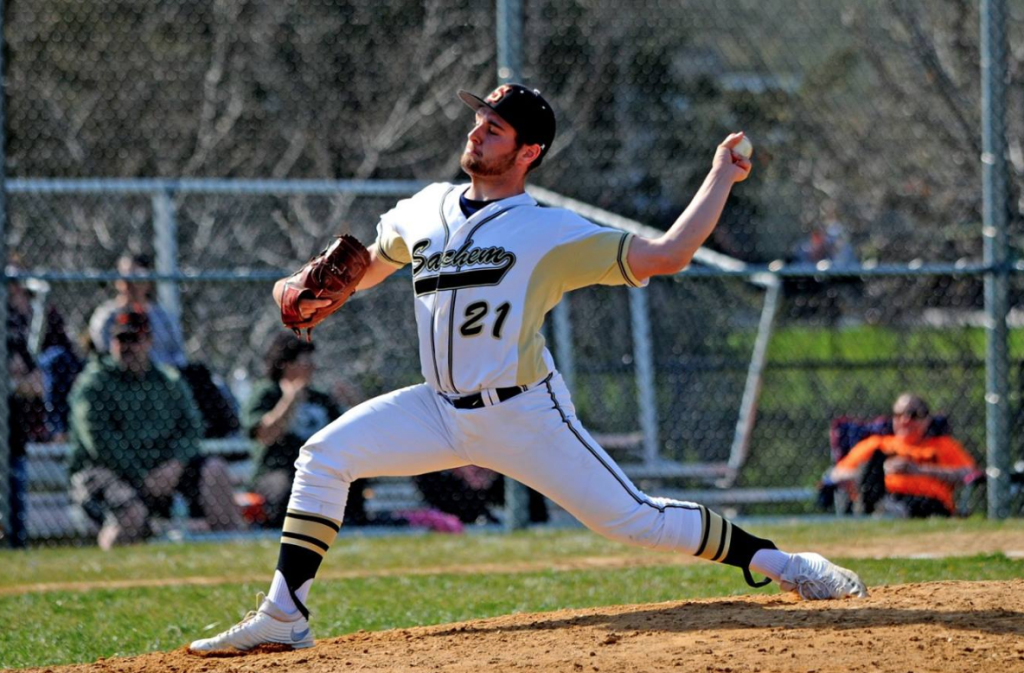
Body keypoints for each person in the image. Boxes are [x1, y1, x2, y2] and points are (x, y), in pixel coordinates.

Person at [190, 83, 866, 654]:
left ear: (528, 152)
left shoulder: (548, 231)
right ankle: (285, 614)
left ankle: (786, 563)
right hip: (437, 407)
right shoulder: (425, 207)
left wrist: (721, 175)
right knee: (323, 454)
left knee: (636, 520)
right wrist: (309, 285)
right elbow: (368, 263)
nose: (479, 133)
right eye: (479, 121)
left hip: (523, 413)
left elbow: (667, 254)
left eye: (497, 128)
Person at [68, 308, 243, 549]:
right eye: (121, 339)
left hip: (165, 472)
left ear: (149, 341)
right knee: (130, 517)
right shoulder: (94, 384)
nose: (127, 347)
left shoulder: (168, 380)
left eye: (134, 339)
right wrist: (142, 477)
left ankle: (232, 554)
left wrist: (175, 465)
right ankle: (111, 573)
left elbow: (192, 428)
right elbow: (99, 442)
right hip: (109, 473)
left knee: (215, 471)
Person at [827, 393, 976, 518]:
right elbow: (837, 475)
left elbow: (969, 473)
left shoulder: (943, 445)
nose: (905, 420)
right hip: (883, 495)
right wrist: (883, 471)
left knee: (908, 505)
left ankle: (890, 510)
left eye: (913, 415)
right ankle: (884, 507)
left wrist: (918, 470)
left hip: (928, 502)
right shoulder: (876, 444)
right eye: (898, 415)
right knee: (874, 464)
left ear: (927, 419)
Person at [88, 253, 187, 368]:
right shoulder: (106, 316)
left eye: (137, 278)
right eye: (125, 278)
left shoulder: (162, 317)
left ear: (148, 281)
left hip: (160, 380)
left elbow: (177, 354)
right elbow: (102, 352)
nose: (130, 284)